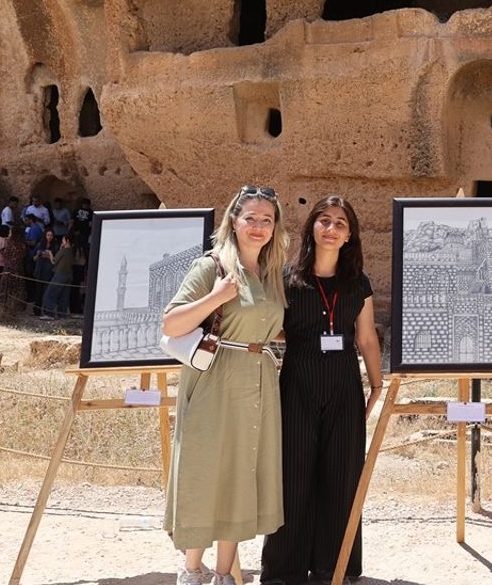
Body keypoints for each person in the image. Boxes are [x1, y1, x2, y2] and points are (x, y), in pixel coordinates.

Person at [162, 185, 289, 585]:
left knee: (242, 469)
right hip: (216, 378)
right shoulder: (211, 267)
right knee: (206, 469)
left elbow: (269, 326)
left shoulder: (270, 273)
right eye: (250, 217)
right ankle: (191, 571)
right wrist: (215, 298)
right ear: (233, 221)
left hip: (258, 381)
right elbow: (171, 324)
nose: (258, 226)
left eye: (266, 220)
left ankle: (224, 575)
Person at [259, 195, 383, 585]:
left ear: (350, 236)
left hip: (344, 383)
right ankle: (285, 570)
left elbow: (366, 338)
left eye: (340, 224)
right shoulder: (287, 278)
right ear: (311, 227)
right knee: (292, 477)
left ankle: (337, 566)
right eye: (324, 221)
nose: (332, 229)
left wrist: (377, 384)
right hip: (297, 381)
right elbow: (271, 326)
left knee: (342, 476)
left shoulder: (357, 283)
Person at [0, 225, 28, 320]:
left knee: (6, 289)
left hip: (9, 269)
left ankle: (4, 309)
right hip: (18, 269)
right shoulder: (23, 245)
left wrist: (2, 249)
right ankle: (15, 309)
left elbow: (5, 253)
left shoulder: (9, 243)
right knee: (16, 289)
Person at [41, 233, 75, 319]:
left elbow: (54, 261)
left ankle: (49, 313)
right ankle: (62, 314)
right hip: (69, 275)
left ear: (67, 241)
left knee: (50, 293)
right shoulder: (72, 251)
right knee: (64, 295)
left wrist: (50, 253)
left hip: (60, 274)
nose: (62, 241)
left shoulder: (63, 250)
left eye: (63, 240)